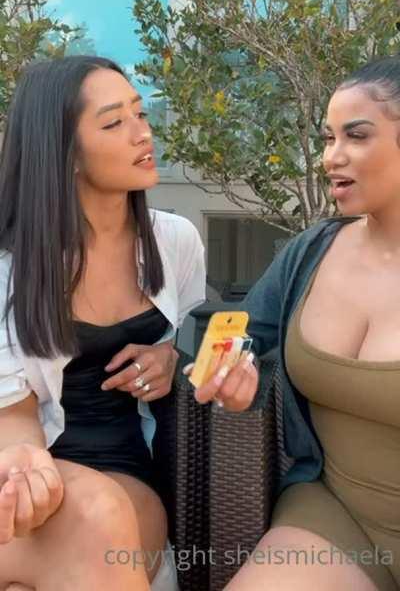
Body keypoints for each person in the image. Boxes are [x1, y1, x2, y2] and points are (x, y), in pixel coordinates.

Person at [0, 54, 209, 591]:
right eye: (114, 123)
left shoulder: (175, 242)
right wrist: (26, 461)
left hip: (123, 470)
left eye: (140, 114)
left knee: (101, 515)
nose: (143, 133)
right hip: (19, 467)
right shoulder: (8, 269)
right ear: (65, 152)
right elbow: (12, 413)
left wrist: (169, 357)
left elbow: (178, 339)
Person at [222, 55, 400, 591]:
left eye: (356, 136)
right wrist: (227, 374)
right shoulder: (310, 252)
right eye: (328, 138)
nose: (331, 156)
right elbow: (238, 336)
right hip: (338, 513)